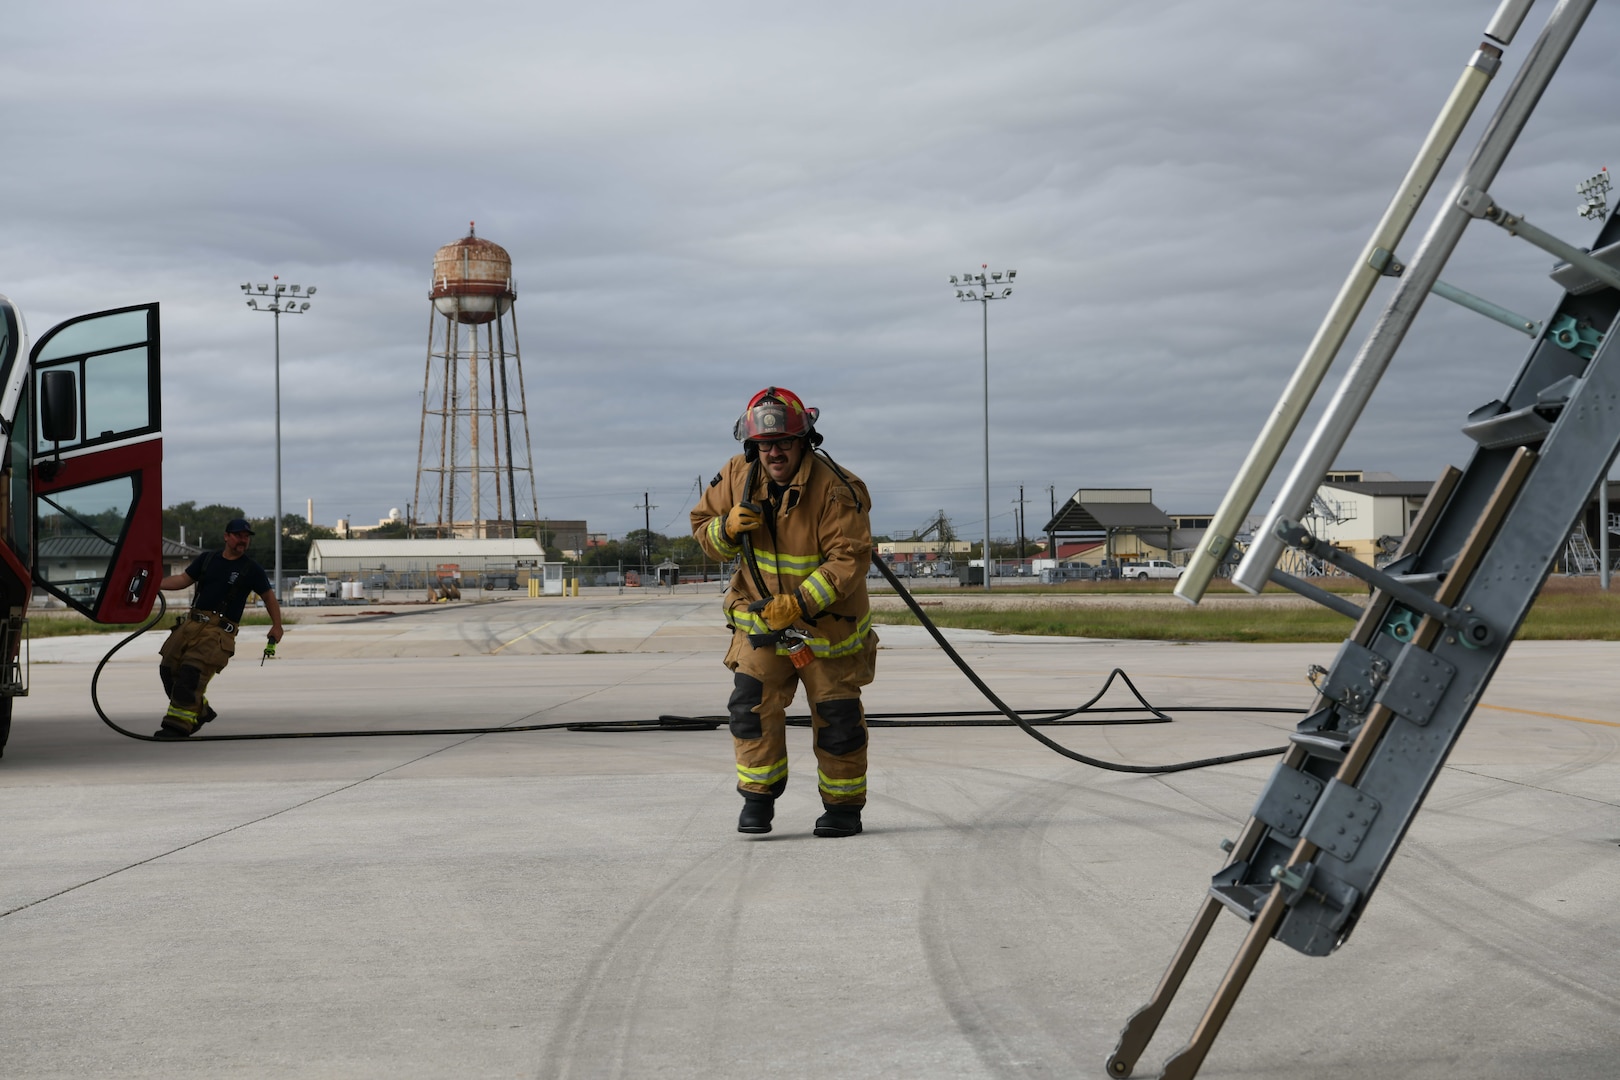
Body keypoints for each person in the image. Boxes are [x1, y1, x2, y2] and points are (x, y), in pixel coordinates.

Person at [692, 387, 877, 837]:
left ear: (805, 442)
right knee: (749, 711)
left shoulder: (838, 489)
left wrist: (797, 603)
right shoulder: (736, 475)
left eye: (785, 443)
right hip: (760, 628)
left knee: (838, 722)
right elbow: (702, 531)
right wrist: (727, 528)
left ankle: (843, 809)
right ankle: (757, 801)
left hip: (827, 632)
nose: (774, 453)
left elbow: (847, 560)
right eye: (765, 445)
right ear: (751, 447)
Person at [154, 518, 284, 738]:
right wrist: (154, 584)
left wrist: (277, 626)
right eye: (238, 535)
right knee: (168, 669)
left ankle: (177, 726)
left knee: (191, 674)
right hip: (191, 625)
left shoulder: (251, 569)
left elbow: (268, 597)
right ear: (226, 537)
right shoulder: (207, 559)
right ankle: (200, 712)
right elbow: (183, 579)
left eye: (246, 537)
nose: (243, 540)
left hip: (218, 632)